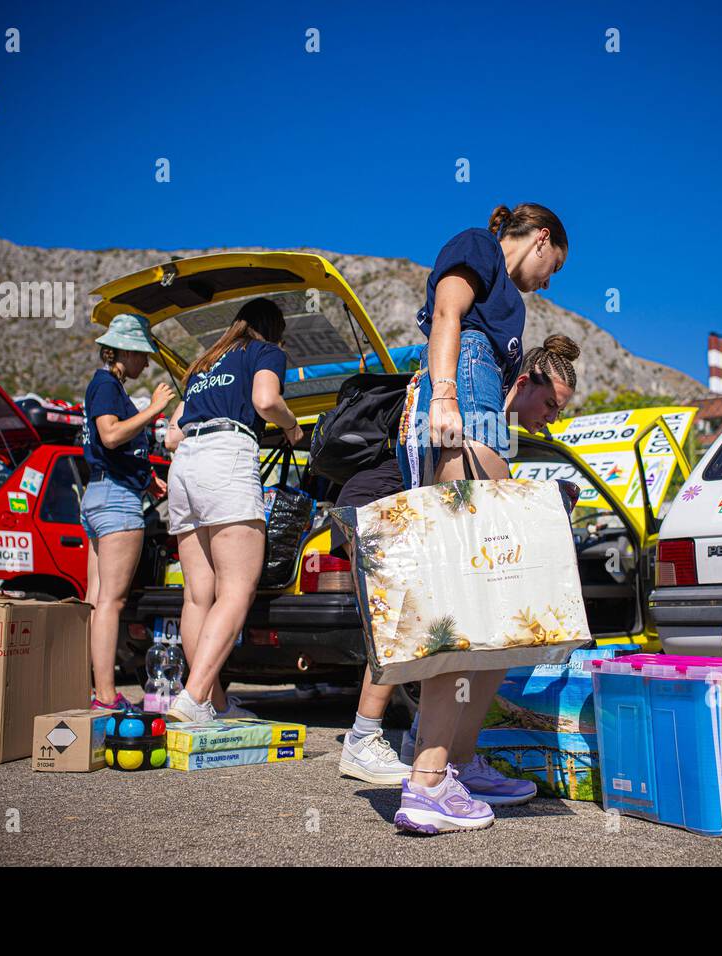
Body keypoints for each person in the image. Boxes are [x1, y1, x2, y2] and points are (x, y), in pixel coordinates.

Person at [381, 202, 569, 835]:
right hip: (462, 426)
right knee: (463, 613)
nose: (548, 278)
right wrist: (444, 396)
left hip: (488, 434)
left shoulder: (513, 305)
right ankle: (428, 782)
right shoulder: (479, 246)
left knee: (499, 620)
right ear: (540, 238)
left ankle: (457, 762)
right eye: (553, 263)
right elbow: (447, 313)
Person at [334, 335, 581, 787]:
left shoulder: (496, 427)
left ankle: (419, 742)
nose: (551, 418)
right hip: (376, 501)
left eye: (558, 410)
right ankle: (365, 739)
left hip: (396, 503)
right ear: (522, 382)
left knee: (425, 614)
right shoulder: (479, 414)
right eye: (549, 404)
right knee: (410, 615)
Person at [164, 298, 305, 723]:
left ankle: (211, 701)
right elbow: (265, 401)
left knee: (197, 595)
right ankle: (192, 698)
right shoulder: (266, 352)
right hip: (226, 455)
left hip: (185, 464)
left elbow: (171, 436)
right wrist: (292, 426)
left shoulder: (203, 364)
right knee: (237, 589)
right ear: (274, 330)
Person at [82, 314, 174, 711]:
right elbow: (111, 434)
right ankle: (106, 695)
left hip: (103, 492)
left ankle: (90, 689)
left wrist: (147, 477)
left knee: (95, 597)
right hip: (116, 501)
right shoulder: (106, 384)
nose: (147, 365)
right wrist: (154, 409)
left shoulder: (108, 386)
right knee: (110, 602)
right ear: (124, 351)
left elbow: (116, 446)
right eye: (143, 356)